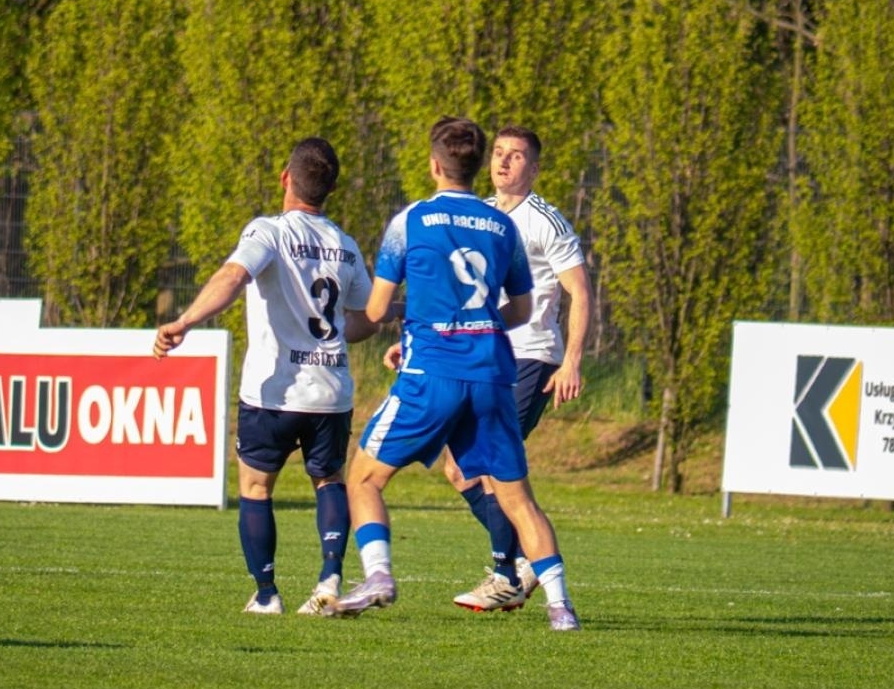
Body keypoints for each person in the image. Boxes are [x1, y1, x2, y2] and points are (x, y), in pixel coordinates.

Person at [326, 116, 581, 630]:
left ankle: (378, 575)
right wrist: (473, 323)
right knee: (515, 495)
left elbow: (375, 312)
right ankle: (561, 608)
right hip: (491, 372)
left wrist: (372, 324)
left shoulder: (410, 220)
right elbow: (521, 310)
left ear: (435, 164)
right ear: (475, 164)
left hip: (433, 373)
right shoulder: (503, 226)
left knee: (364, 478)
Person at [154, 137, 377, 616]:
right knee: (329, 481)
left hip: (272, 391)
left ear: (285, 178)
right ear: (331, 189)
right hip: (330, 392)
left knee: (256, 489)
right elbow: (363, 321)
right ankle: (330, 578)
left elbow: (233, 277)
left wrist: (185, 321)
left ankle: (267, 593)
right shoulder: (346, 244)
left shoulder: (268, 231)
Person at [447, 125, 592, 612]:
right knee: (457, 467)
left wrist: (571, 360)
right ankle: (525, 561)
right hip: (480, 353)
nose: (505, 162)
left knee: (492, 463)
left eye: (517, 156)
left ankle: (506, 573)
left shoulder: (546, 222)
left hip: (530, 355)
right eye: (499, 153)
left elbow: (581, 291)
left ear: (535, 168)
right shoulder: (479, 215)